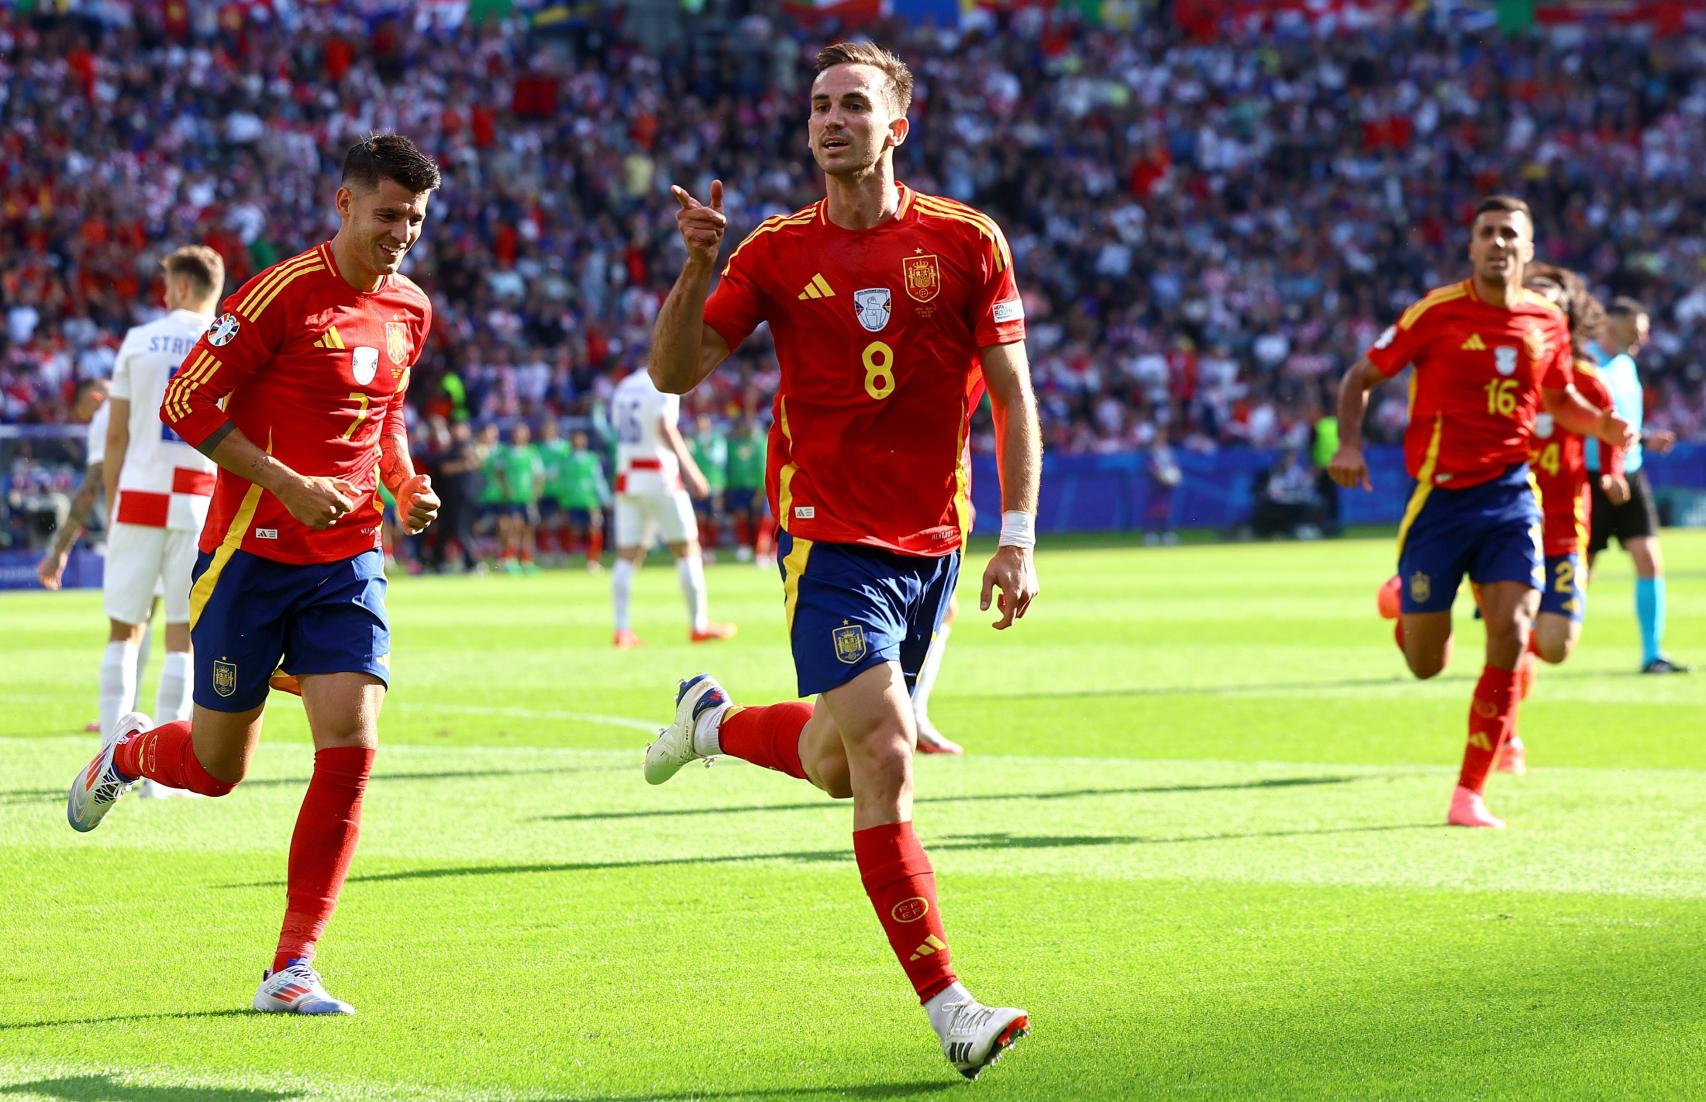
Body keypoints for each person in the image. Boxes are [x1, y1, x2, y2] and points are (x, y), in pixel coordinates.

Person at [642, 42, 1040, 1078]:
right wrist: (695, 265)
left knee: (834, 760)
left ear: (894, 126)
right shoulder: (771, 251)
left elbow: (1010, 397)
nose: (830, 119)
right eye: (819, 105)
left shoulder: (964, 241)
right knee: (888, 752)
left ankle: (711, 723)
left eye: (852, 104)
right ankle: (949, 1004)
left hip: (935, 545)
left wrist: (1017, 535)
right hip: (826, 542)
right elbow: (673, 372)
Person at [66, 133, 442, 1016]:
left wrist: (405, 483)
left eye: (417, 219)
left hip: (347, 558)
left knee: (351, 743)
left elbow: (384, 417)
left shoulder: (411, 310)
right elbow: (186, 403)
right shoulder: (278, 292)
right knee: (216, 765)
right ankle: (127, 751)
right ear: (344, 203)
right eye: (389, 214)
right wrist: (282, 483)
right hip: (247, 558)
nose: (402, 233)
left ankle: (292, 966)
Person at [1329, 195, 1632, 830]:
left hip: (1509, 499)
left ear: (1527, 249)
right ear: (1471, 247)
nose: (1498, 244)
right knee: (1425, 663)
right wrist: (1350, 442)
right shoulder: (1436, 313)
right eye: (1487, 233)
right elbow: (1361, 375)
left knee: (1515, 631)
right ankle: (1407, 611)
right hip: (1439, 502)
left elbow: (1560, 399)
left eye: (1509, 235)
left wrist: (1600, 425)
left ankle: (1469, 791)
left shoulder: (1545, 320)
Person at [95, 245, 226, 794]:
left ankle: (108, 757)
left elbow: (117, 435)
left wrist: (111, 506)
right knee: (183, 636)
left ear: (177, 287)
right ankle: (158, 778)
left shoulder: (139, 340)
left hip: (141, 495)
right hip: (197, 498)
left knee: (125, 629)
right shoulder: (225, 342)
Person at [1585, 297, 1688, 674]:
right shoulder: (1587, 363)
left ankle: (1652, 653)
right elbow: (1588, 422)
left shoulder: (1627, 365)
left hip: (1630, 472)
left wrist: (1645, 440)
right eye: (1636, 330)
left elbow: (1620, 426)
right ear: (1611, 326)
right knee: (1581, 569)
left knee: (1649, 559)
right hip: (1592, 477)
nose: (1642, 338)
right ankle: (1540, 639)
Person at [608, 368, 735, 647]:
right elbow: (664, 427)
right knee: (687, 548)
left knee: (628, 554)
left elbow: (619, 430)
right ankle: (698, 624)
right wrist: (693, 472)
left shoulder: (624, 387)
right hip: (659, 476)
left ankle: (622, 630)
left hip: (627, 476)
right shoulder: (665, 382)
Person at [724, 408, 772, 566]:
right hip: (739, 486)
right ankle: (746, 547)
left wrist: (761, 490)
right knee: (742, 516)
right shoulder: (735, 443)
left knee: (762, 519)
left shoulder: (761, 442)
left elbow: (762, 467)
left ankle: (763, 552)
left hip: (759, 487)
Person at [558, 429, 610, 571]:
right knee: (574, 531)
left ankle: (592, 561)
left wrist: (604, 499)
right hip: (571, 501)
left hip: (590, 501)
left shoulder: (592, 459)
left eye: (581, 439)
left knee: (594, 529)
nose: (578, 442)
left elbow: (598, 480)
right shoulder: (565, 460)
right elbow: (561, 480)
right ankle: (565, 555)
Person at [495, 421, 543, 572]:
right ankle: (509, 558)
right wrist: (505, 489)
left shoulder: (532, 453)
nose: (519, 435)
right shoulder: (505, 453)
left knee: (528, 529)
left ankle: (526, 560)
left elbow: (538, 475)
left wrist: (536, 493)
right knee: (513, 527)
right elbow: (499, 472)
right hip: (512, 498)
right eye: (516, 432)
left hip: (527, 497)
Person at [688, 411, 728, 559]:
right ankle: (702, 548)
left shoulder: (716, 440)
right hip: (697, 485)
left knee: (713, 517)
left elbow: (719, 458)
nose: (701, 425)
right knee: (700, 516)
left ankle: (710, 549)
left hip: (714, 483)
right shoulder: (693, 441)